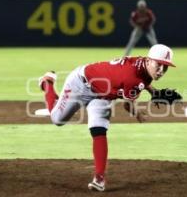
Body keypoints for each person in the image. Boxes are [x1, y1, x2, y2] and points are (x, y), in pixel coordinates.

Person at [38, 44, 175, 192]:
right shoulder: (133, 79)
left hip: (102, 96)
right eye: (158, 65)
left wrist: (153, 91)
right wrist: (139, 114)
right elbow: (128, 105)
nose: (161, 71)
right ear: (149, 60)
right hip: (80, 84)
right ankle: (48, 82)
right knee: (57, 119)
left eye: (165, 67)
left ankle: (99, 178)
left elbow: (143, 81)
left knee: (99, 130)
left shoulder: (141, 63)